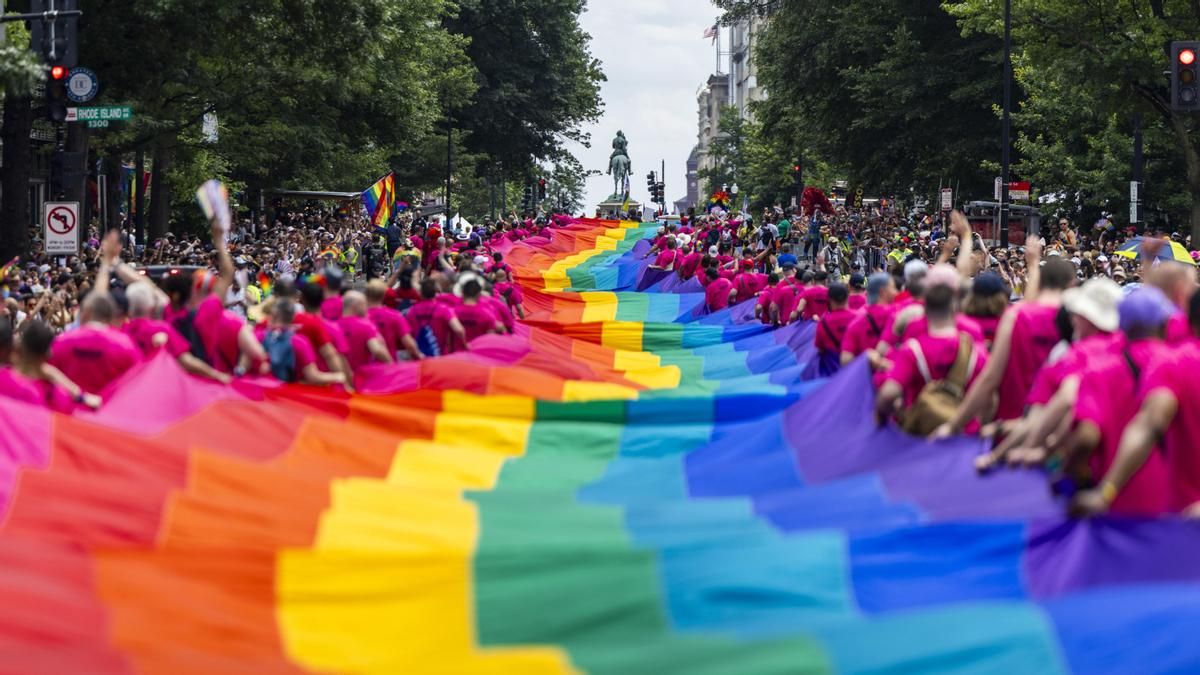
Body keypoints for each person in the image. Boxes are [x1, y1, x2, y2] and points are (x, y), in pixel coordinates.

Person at [1072, 288, 1200, 518]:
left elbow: (1149, 424)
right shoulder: (1170, 361)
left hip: (1172, 522)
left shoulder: (1175, 363)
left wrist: (1106, 491)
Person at [935, 254, 1076, 437]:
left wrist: (954, 425)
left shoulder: (1014, 317)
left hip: (1007, 423)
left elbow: (990, 378)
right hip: (1058, 434)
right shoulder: (1080, 322)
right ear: (1071, 284)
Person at [876, 266, 989, 434]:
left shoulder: (912, 328)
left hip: (919, 430)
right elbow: (989, 394)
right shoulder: (972, 332)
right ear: (956, 295)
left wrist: (885, 418)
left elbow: (890, 390)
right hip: (963, 434)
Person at [48, 293, 142, 395]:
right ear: (110, 316)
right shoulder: (126, 345)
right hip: (112, 408)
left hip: (67, 409)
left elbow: (46, 380)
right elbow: (139, 383)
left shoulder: (61, 342)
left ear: (85, 313)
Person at [842, 272, 896, 364]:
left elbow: (845, 359)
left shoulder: (856, 319)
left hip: (865, 376)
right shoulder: (897, 314)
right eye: (893, 288)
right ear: (883, 292)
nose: (896, 292)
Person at [365, 280, 421, 361]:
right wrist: (420, 356)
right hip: (389, 367)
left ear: (366, 295)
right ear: (383, 295)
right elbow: (408, 343)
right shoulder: (394, 315)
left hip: (365, 369)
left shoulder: (360, 317)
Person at [339, 290, 394, 370]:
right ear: (356, 306)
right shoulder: (366, 326)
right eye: (364, 304)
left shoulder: (333, 326)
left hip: (342, 377)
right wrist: (391, 364)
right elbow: (377, 349)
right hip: (362, 376)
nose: (367, 308)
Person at [814, 283, 854, 374]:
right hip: (854, 367)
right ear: (848, 297)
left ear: (829, 300)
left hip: (832, 369)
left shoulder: (823, 322)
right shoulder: (859, 317)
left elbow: (820, 349)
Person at [453, 278, 503, 348]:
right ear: (479, 294)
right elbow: (490, 340)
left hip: (455, 356)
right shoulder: (487, 314)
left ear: (463, 293)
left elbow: (449, 338)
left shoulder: (453, 311)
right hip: (479, 354)